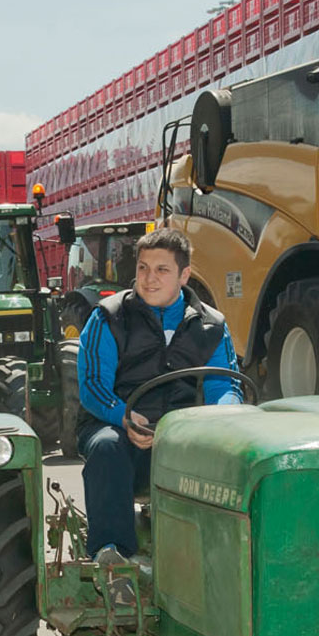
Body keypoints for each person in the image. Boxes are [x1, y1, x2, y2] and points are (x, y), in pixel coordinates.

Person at [77, 227, 242, 560]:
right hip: (121, 428)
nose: (149, 279)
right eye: (142, 268)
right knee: (106, 447)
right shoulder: (108, 318)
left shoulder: (211, 326)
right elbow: (93, 385)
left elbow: (224, 386)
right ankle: (112, 554)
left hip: (185, 435)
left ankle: (224, 551)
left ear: (184, 275)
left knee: (235, 454)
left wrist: (223, 421)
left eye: (161, 270)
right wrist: (123, 416)